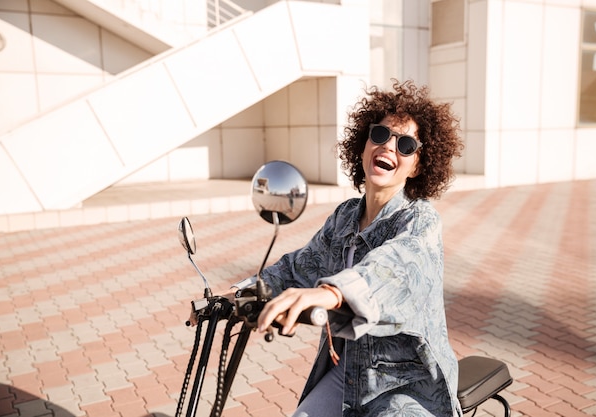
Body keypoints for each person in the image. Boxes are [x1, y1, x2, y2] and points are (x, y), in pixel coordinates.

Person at [194, 79, 464, 416]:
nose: (389, 148)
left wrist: (332, 294)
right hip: (347, 375)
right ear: (364, 145)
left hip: (406, 384)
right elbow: (298, 267)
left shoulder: (420, 220)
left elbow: (395, 268)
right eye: (379, 136)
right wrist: (237, 294)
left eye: (406, 145)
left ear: (418, 165)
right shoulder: (345, 216)